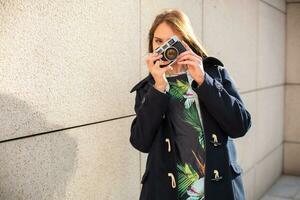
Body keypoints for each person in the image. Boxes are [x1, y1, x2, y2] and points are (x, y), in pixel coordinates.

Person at [129, 8, 252, 200]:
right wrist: (159, 86)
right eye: (158, 41)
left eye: (172, 42)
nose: (164, 48)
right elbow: (140, 142)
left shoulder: (213, 73)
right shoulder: (149, 88)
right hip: (168, 191)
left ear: (186, 41)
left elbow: (240, 126)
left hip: (216, 188)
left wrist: (203, 80)